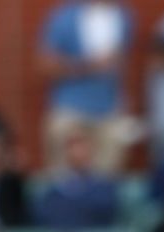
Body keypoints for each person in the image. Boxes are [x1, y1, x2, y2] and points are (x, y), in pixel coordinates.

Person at [39, 0, 135, 174]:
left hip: (109, 111)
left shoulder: (124, 16)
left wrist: (123, 102)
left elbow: (121, 66)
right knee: (63, 178)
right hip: (70, 109)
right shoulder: (64, 16)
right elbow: (45, 64)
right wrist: (88, 65)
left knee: (107, 178)